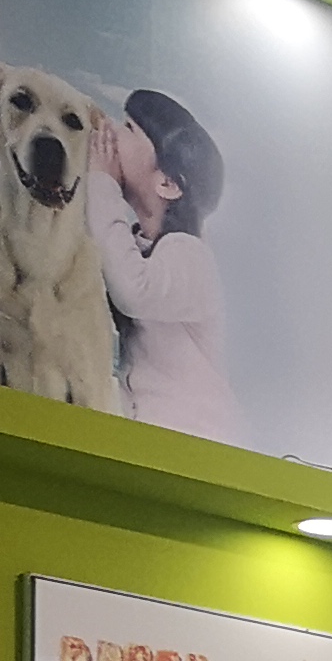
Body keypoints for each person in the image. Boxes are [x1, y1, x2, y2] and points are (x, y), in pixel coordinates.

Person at [86, 90, 242, 445]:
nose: (111, 130)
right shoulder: (142, 248)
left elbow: (133, 291)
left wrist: (102, 184)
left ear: (168, 184)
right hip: (166, 438)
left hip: (202, 440)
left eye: (128, 127)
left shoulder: (190, 254)